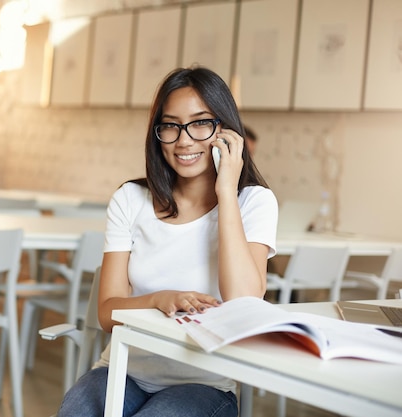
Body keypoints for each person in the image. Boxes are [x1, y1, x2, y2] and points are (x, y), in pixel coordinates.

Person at [57, 66, 278, 417]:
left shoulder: (254, 202)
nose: (184, 140)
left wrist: (226, 192)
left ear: (226, 131)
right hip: (124, 368)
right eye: (171, 125)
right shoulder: (130, 199)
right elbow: (107, 312)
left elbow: (244, 301)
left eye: (201, 123)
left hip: (204, 384)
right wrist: (159, 299)